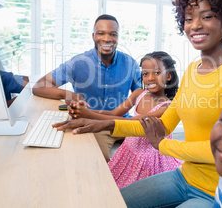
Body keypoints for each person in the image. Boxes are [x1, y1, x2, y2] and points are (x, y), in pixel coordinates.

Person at [53, 0, 222, 207]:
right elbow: (161, 125)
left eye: (207, 16)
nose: (195, 25)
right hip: (184, 177)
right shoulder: (193, 70)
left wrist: (163, 145)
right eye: (189, 18)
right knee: (112, 202)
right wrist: (105, 123)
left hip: (218, 191)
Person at [32, 14, 141, 162]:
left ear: (117, 37)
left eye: (112, 34)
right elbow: (39, 85)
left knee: (152, 153)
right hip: (92, 124)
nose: (107, 39)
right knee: (99, 162)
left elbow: (141, 94)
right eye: (101, 33)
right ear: (93, 36)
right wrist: (70, 95)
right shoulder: (78, 63)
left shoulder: (130, 63)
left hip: (121, 121)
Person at [69, 51, 183, 189]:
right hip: (129, 149)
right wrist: (84, 112)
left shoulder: (167, 107)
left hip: (147, 159)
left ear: (169, 76)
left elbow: (129, 122)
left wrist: (87, 114)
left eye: (157, 73)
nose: (150, 78)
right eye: (145, 74)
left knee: (132, 193)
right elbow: (114, 113)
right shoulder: (139, 94)